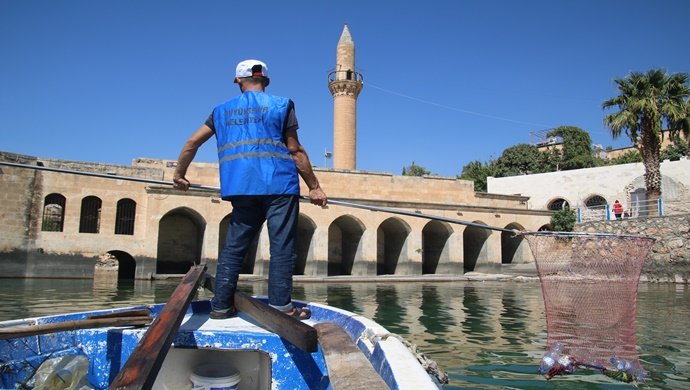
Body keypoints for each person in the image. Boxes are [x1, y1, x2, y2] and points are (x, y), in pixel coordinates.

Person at [173, 59, 327, 320]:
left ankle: (220, 306)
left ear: (238, 81)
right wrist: (315, 187)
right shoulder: (282, 105)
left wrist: (179, 174)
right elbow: (295, 150)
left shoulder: (220, 111)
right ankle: (281, 307)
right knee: (282, 247)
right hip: (279, 186)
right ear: (265, 80)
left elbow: (192, 142)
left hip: (241, 187)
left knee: (234, 247)